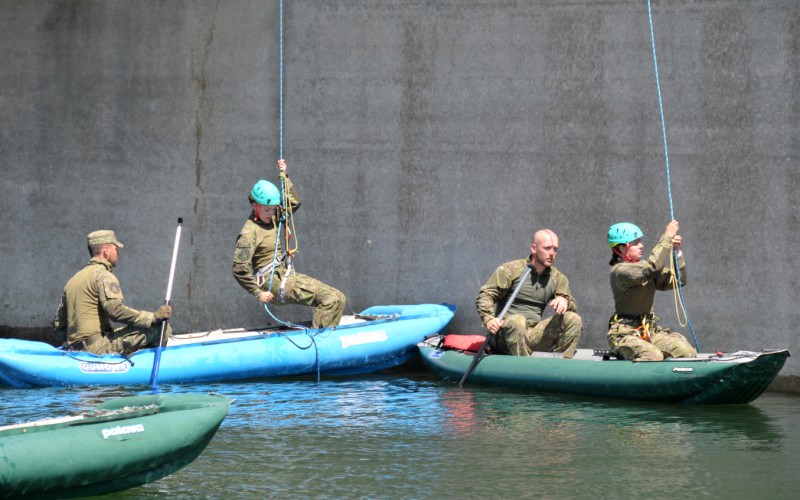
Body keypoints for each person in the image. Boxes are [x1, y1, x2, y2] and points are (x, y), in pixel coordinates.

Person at [233, 159, 346, 328]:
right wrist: (258, 293)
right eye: (267, 210)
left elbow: (293, 202)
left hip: (284, 274)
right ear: (255, 206)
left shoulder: (273, 217)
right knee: (332, 299)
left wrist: (284, 175)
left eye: (274, 209)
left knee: (339, 298)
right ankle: (320, 337)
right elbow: (239, 268)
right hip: (273, 281)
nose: (271, 214)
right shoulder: (250, 233)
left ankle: (324, 332)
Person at [53, 230, 172, 355]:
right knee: (161, 329)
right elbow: (115, 311)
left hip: (74, 351)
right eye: (116, 249)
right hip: (97, 349)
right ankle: (144, 363)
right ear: (106, 250)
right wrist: (152, 317)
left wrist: (76, 344)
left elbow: (59, 324)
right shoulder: (103, 275)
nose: (118, 254)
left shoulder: (73, 280)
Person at [475, 229, 583, 357]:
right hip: (504, 335)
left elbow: (572, 306)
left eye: (555, 249)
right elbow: (485, 295)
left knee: (574, 319)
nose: (552, 253)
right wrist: (489, 319)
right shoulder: (511, 270)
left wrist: (565, 301)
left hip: (532, 335)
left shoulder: (557, 278)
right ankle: (523, 366)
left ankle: (561, 364)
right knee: (517, 321)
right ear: (534, 248)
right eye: (547, 248)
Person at [606, 220, 697, 361]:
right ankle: (624, 355)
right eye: (636, 242)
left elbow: (679, 280)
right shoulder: (620, 271)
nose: (641, 245)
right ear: (623, 248)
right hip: (626, 334)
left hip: (649, 331)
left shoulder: (643, 269)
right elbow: (652, 268)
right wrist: (667, 237)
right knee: (653, 355)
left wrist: (677, 253)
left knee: (686, 352)